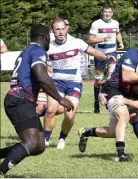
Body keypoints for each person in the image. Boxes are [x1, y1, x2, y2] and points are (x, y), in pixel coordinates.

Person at [78, 38, 138, 162]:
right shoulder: (133, 55)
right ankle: (121, 154)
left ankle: (85, 132)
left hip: (125, 93)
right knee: (124, 115)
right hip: (113, 89)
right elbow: (126, 77)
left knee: (113, 131)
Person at [0, 24, 74, 175]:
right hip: (20, 100)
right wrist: (60, 99)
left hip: (20, 100)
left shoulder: (27, 51)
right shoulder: (38, 51)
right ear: (46, 37)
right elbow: (41, 76)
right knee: (32, 143)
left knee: (39, 145)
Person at [43, 17, 116, 150]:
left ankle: (62, 139)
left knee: (69, 115)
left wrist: (106, 57)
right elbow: (40, 61)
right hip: (56, 81)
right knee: (51, 110)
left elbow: (93, 51)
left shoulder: (76, 42)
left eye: (62, 28)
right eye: (57, 29)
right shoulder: (47, 45)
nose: (60, 31)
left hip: (74, 82)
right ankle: (46, 139)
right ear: (52, 31)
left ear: (66, 28)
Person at [88, 5, 124, 113]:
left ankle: (109, 102)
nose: (107, 14)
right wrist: (102, 39)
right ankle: (96, 101)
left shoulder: (115, 23)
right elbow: (90, 39)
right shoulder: (96, 24)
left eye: (109, 12)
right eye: (105, 12)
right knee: (99, 80)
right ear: (102, 13)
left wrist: (120, 42)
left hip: (112, 52)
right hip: (100, 53)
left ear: (112, 14)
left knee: (111, 77)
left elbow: (117, 33)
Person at [36, 15, 71, 117]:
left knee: (60, 109)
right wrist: (49, 68)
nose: (64, 28)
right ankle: (30, 128)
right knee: (40, 107)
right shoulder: (47, 43)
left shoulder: (71, 42)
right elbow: (38, 60)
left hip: (56, 81)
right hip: (44, 80)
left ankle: (34, 119)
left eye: (66, 26)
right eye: (58, 28)